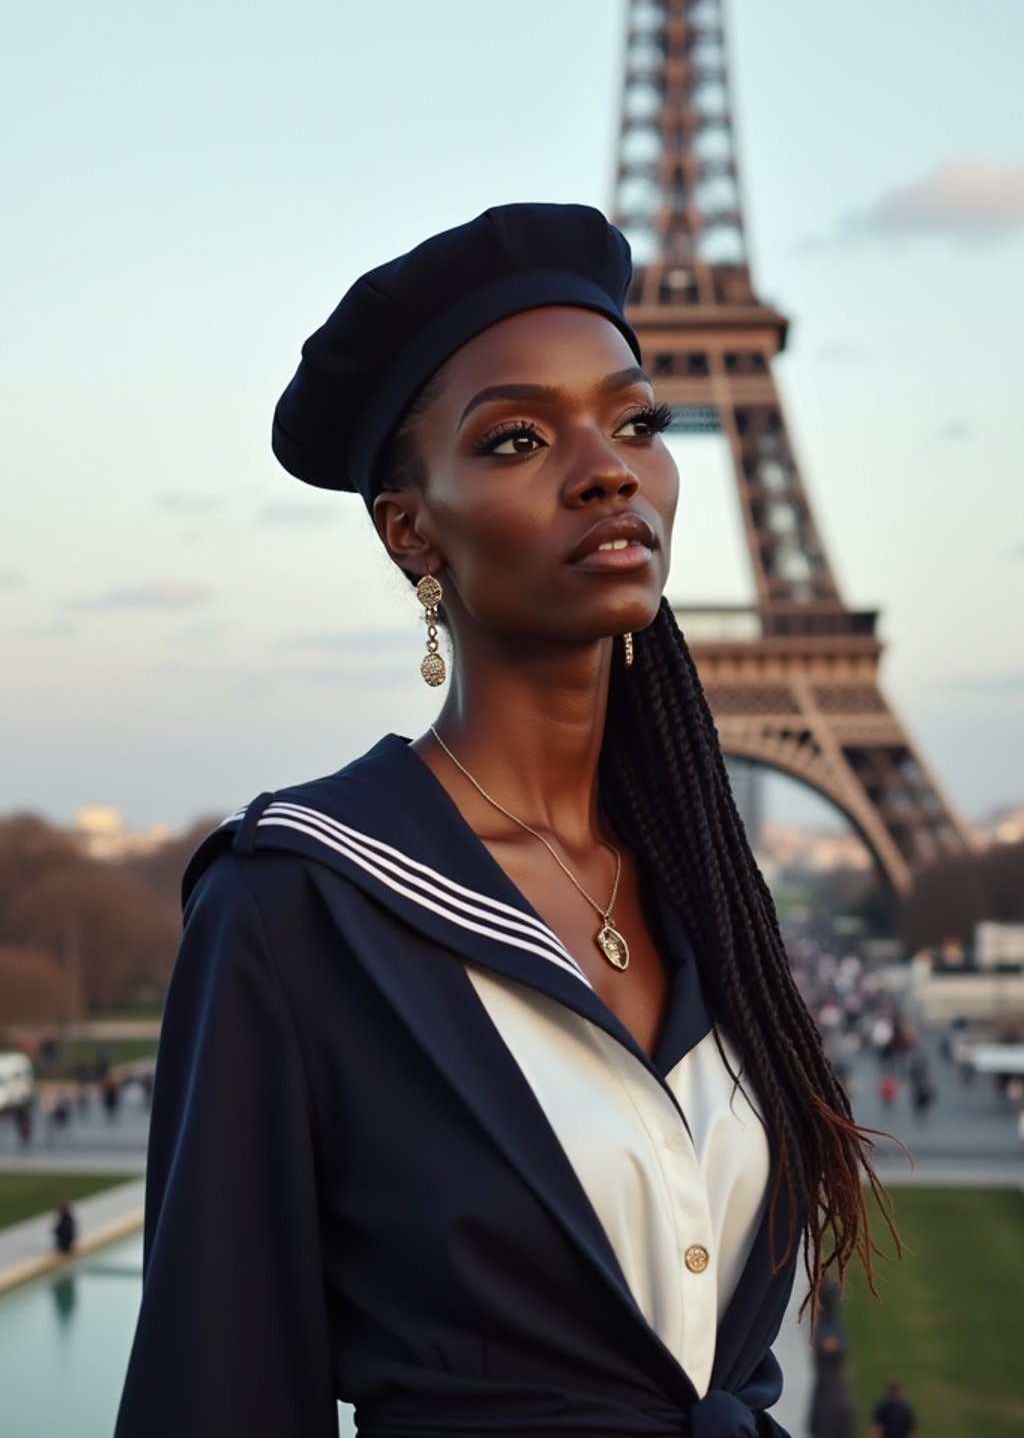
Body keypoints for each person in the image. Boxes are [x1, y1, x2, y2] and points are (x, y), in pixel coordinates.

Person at [115, 204, 890, 1438]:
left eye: (637, 421)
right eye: (519, 437)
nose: (608, 466)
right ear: (409, 528)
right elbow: (215, 1393)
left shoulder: (704, 892)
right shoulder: (292, 907)